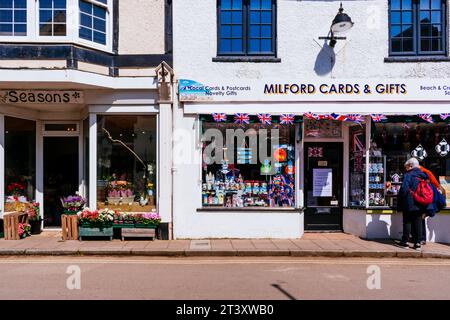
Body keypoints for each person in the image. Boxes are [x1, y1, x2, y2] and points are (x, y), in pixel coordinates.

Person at [396, 158, 429, 250]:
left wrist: (401, 199)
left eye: (406, 166)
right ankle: (417, 243)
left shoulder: (408, 175)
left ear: (410, 165)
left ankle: (405, 242)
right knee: (418, 222)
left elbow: (404, 189)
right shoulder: (423, 175)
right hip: (420, 202)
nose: (406, 168)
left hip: (409, 202)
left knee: (407, 221)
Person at [418, 164, 441, 245]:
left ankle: (420, 238)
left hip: (423, 207)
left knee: (419, 222)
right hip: (428, 207)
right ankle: (422, 239)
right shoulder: (432, 186)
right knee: (421, 222)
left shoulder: (423, 185)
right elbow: (439, 199)